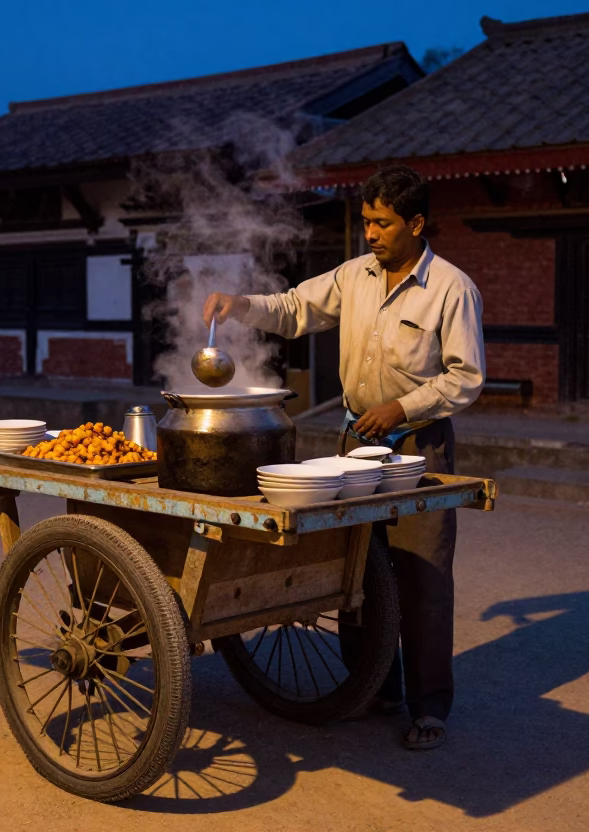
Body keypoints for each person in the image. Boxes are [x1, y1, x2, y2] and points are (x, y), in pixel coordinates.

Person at [202, 165, 485, 750]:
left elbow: (466, 379)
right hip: (356, 443)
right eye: (366, 222)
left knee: (422, 580)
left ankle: (429, 707)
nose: (371, 234)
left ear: (416, 223)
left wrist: (402, 408)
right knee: (354, 567)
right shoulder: (354, 275)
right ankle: (373, 687)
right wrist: (240, 305)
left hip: (418, 450)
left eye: (382, 223)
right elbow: (293, 309)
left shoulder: (451, 289)